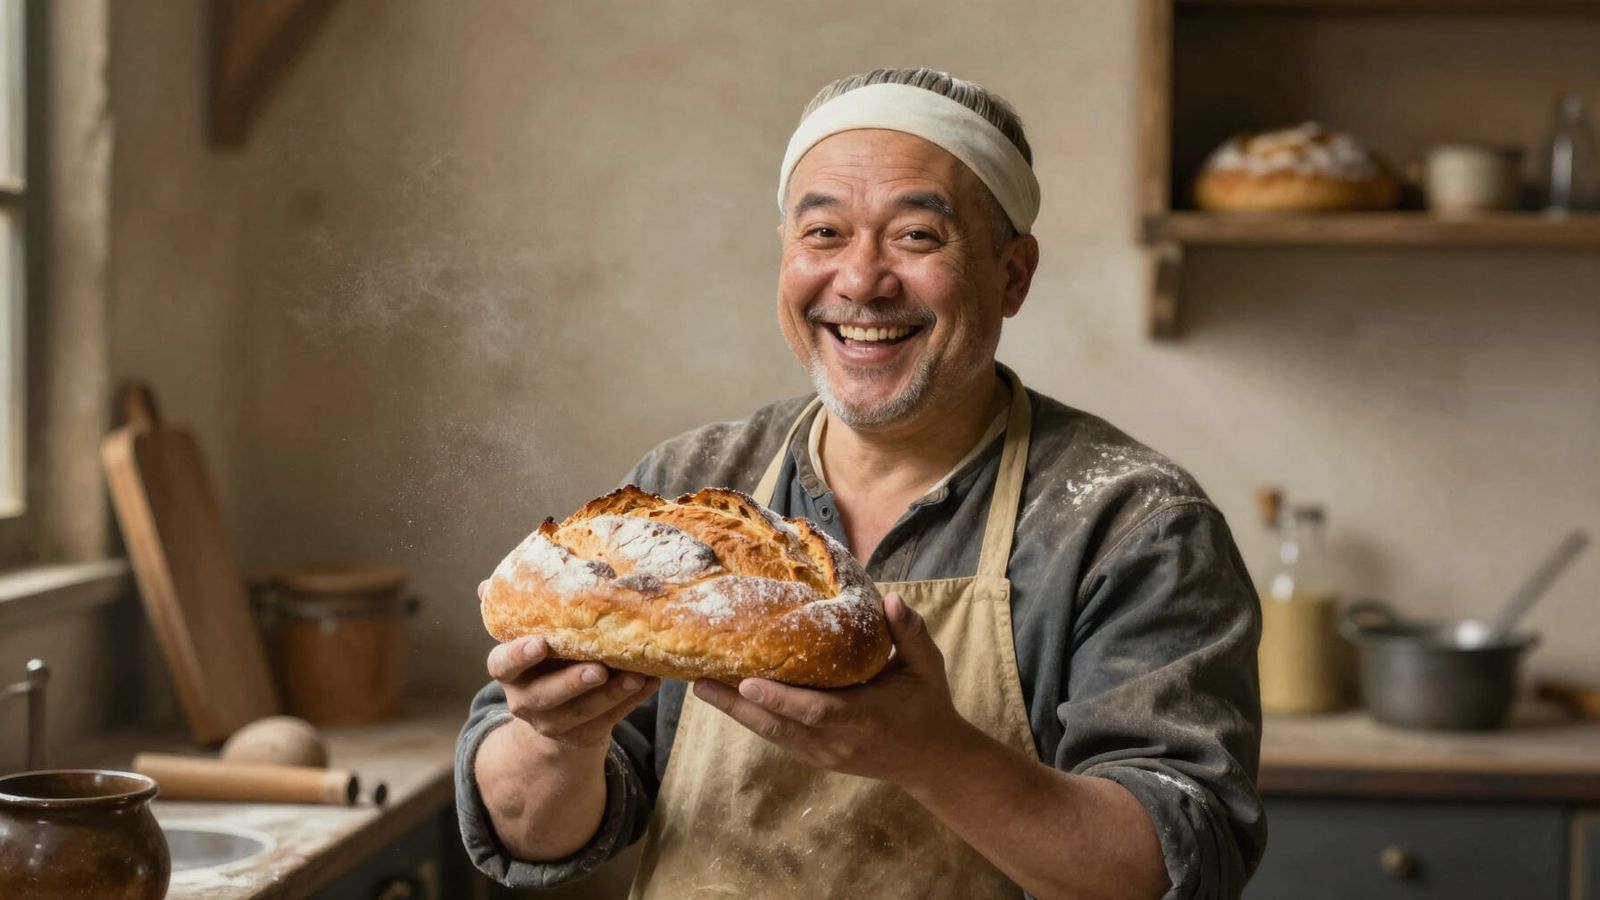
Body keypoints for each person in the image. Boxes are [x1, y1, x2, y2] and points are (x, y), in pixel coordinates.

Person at [456, 67, 1265, 899]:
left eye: (916, 236)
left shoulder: (1131, 525)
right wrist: (558, 740)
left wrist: (933, 754)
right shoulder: (684, 489)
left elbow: (1174, 864)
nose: (860, 281)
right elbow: (528, 830)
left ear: (1012, 275)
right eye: (824, 233)